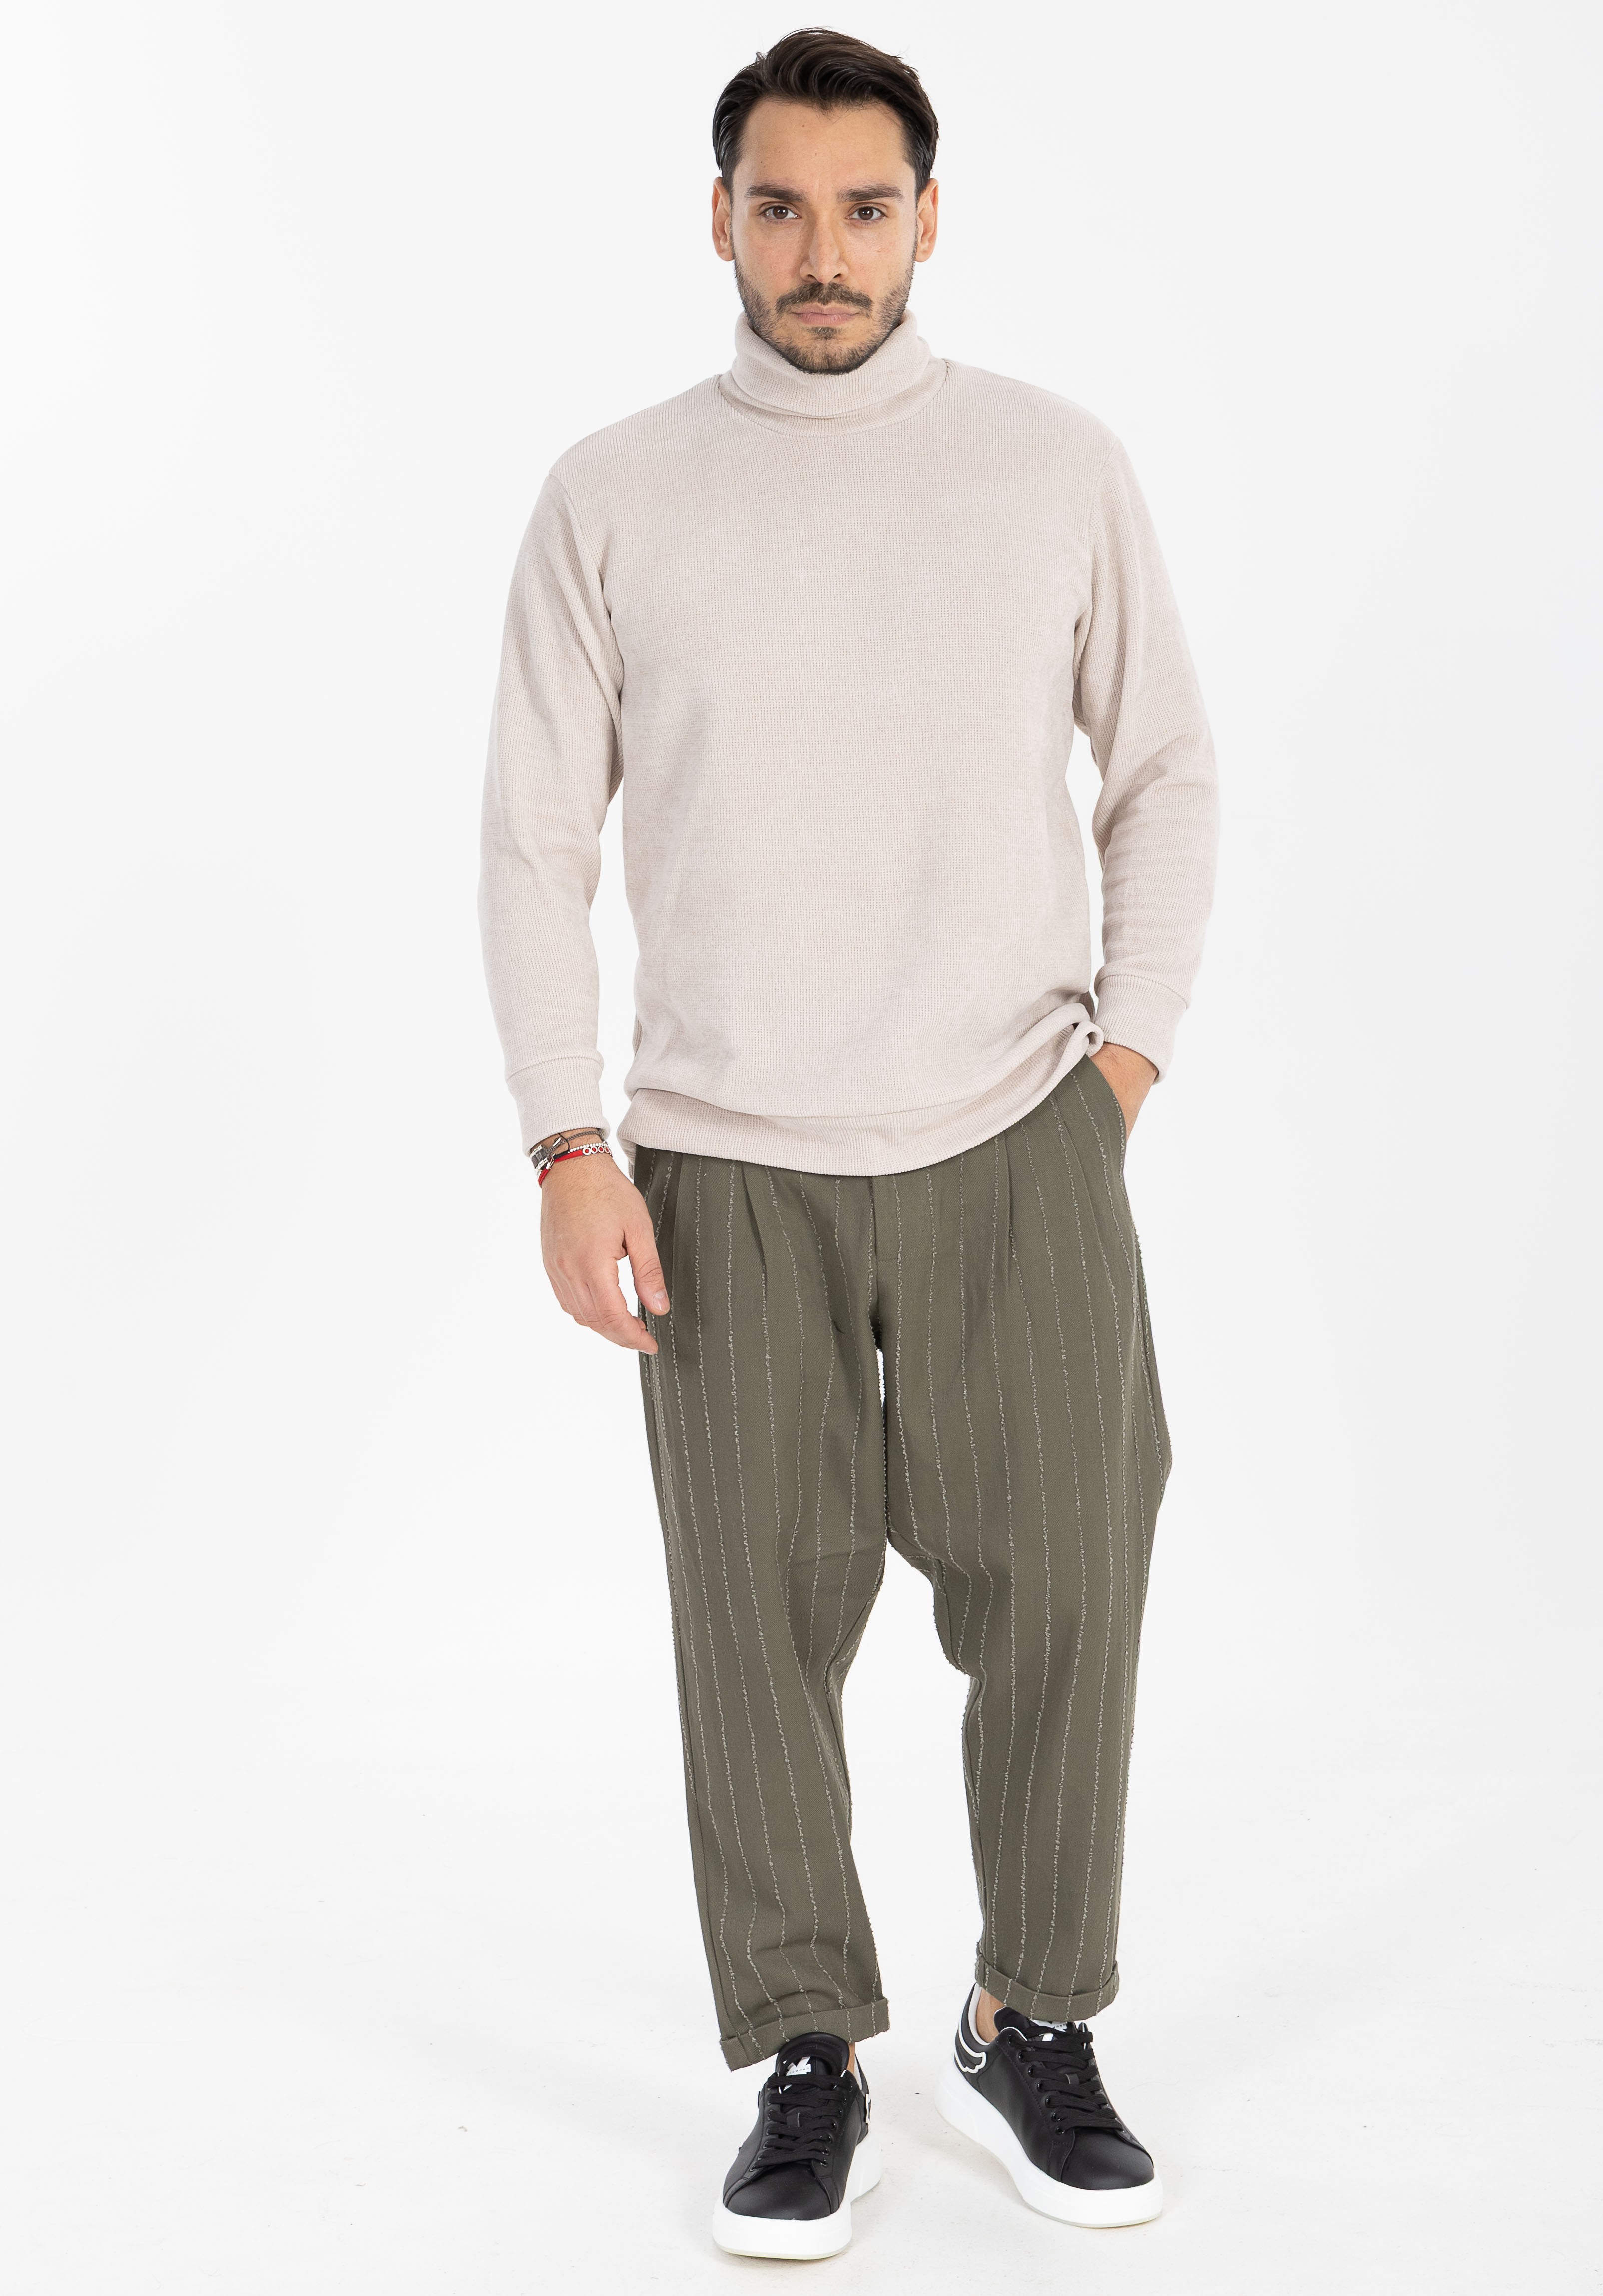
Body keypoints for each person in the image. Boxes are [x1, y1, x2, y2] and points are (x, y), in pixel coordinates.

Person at [479, 27, 1218, 2262]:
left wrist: (1117, 1073)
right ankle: (807, 2045)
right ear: (718, 217)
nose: (823, 253)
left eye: (865, 209)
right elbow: (533, 837)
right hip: (719, 1158)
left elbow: (1164, 773)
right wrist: (565, 1142)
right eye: (780, 206)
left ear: (928, 220)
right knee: (755, 1617)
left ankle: (1030, 2012)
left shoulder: (1052, 466)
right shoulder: (615, 493)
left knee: (1071, 1576)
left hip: (1015, 1126)